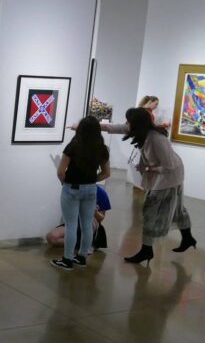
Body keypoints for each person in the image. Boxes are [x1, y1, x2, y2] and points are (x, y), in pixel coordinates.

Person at [105, 108, 196, 264]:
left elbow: (170, 165)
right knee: (177, 209)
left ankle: (146, 251)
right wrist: (88, 126)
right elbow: (118, 127)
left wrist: (147, 168)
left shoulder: (156, 139)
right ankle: (188, 239)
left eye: (129, 121)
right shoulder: (141, 130)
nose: (126, 124)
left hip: (169, 177)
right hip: (165, 175)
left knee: (150, 211)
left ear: (137, 123)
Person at [50, 116, 110, 271]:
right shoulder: (102, 148)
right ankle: (82, 257)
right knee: (87, 224)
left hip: (72, 188)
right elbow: (106, 173)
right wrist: (92, 180)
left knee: (71, 225)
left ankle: (67, 259)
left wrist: (65, 183)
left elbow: (60, 171)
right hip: (90, 189)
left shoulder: (74, 145)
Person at [46, 184, 111, 250]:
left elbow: (101, 218)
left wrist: (95, 213)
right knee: (51, 237)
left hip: (91, 223)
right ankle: (81, 243)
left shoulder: (101, 192)